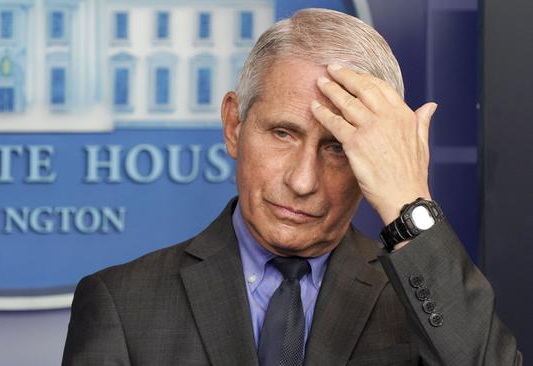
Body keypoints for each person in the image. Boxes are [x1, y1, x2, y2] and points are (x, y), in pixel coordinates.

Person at [62, 8, 522, 366]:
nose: (302, 181)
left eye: (338, 148)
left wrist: (408, 200)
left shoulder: (423, 297)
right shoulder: (122, 303)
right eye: (283, 133)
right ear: (233, 125)